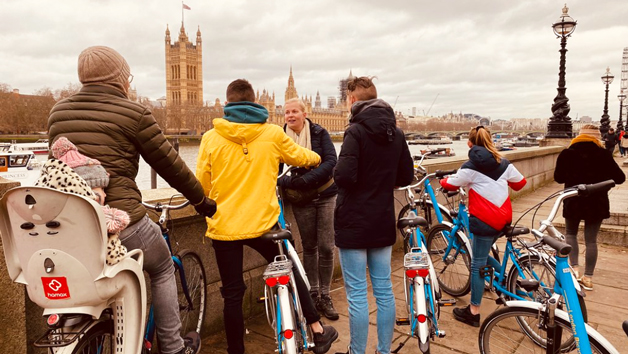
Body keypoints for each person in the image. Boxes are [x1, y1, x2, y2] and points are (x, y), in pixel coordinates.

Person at [48, 45, 216, 354]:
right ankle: (173, 347)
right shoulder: (134, 113)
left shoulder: (58, 112)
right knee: (163, 267)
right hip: (120, 220)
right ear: (119, 79)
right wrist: (201, 201)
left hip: (70, 225)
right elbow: (171, 166)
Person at [195, 79, 338, 354]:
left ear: (228, 105)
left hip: (224, 227)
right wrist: (318, 159)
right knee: (292, 270)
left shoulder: (210, 138)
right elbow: (300, 157)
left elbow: (203, 184)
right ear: (255, 103)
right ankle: (318, 331)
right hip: (263, 223)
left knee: (232, 294)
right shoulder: (272, 133)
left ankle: (236, 351)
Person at [334, 76, 414, 354]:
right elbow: (406, 176)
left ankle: (357, 352)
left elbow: (344, 175)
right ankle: (383, 350)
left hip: (354, 222)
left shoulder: (355, 131)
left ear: (352, 100)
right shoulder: (397, 132)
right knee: (384, 292)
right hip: (381, 219)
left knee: (357, 295)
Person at [440, 126, 527, 327]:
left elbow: (450, 184)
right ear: (490, 141)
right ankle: (506, 280)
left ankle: (473, 312)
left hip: (485, 222)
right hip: (503, 220)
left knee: (477, 264)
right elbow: (521, 183)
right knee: (481, 252)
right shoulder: (504, 163)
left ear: (470, 144)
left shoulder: (469, 167)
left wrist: (443, 179)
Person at [278, 98, 339, 320]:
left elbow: (331, 161)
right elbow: (273, 173)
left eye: (295, 111)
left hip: (325, 194)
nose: (291, 115)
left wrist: (306, 180)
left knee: (326, 246)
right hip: (300, 199)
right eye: (287, 112)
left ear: (305, 113)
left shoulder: (319, 133)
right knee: (310, 246)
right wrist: (291, 183)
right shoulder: (278, 137)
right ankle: (313, 293)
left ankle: (325, 294)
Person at [554, 124, 625, 290]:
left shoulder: (567, 153)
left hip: (573, 199)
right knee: (591, 240)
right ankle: (588, 277)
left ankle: (574, 271)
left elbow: (558, 177)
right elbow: (620, 178)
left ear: (579, 136)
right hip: (596, 202)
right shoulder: (603, 154)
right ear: (596, 137)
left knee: (570, 234)